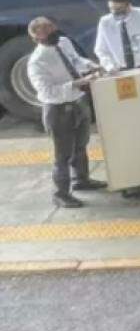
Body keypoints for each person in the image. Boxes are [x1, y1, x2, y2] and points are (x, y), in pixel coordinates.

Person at [26, 16, 104, 208]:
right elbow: (47, 92)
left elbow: (76, 60)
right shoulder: (36, 62)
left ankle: (82, 180)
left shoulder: (63, 42)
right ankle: (61, 194)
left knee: (81, 145)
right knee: (62, 155)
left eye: (51, 26)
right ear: (36, 37)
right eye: (45, 30)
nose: (52, 31)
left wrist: (92, 66)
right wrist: (77, 83)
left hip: (78, 102)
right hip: (59, 110)